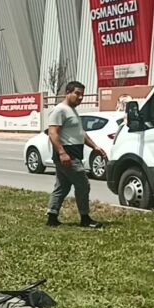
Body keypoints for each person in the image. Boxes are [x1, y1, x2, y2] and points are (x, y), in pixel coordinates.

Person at [46, 81, 104, 229]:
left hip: (73, 154)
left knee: (62, 186)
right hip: (68, 155)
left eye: (82, 95)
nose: (80, 97)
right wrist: (62, 153)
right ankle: (85, 218)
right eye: (77, 93)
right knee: (83, 185)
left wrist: (95, 147)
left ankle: (52, 217)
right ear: (68, 92)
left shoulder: (73, 110)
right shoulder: (60, 110)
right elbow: (53, 133)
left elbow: (81, 134)